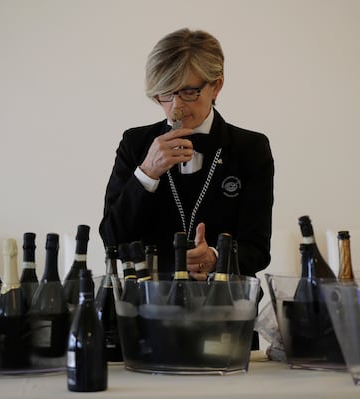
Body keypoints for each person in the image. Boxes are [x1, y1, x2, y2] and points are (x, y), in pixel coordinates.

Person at [99, 28, 274, 280]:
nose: (175, 107)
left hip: (225, 305)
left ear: (216, 87)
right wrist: (147, 173)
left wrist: (215, 258)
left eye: (189, 92)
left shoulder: (250, 148)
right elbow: (112, 240)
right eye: (166, 93)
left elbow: (257, 249)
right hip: (150, 304)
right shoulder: (135, 143)